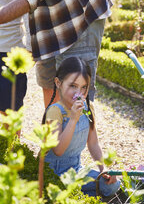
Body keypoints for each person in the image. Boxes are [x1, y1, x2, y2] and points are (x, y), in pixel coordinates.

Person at [42, 56, 120, 198]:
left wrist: (104, 168)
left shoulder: (88, 107)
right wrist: (73, 119)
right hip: (53, 174)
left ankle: (82, 194)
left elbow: (93, 143)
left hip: (76, 170)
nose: (79, 93)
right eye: (73, 86)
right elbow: (58, 150)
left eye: (84, 87)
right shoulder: (55, 111)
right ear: (58, 83)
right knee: (61, 193)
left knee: (113, 184)